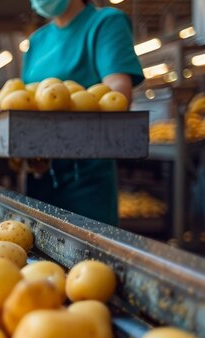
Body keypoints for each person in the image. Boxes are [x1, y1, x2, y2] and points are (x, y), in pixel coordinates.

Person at [22, 0, 144, 226]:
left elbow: (118, 91)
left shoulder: (105, 23)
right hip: (37, 173)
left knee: (88, 255)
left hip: (86, 174)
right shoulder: (36, 42)